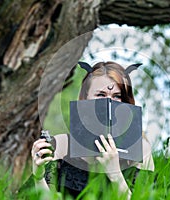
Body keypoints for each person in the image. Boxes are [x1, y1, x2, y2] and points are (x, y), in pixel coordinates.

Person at [30, 61, 154, 199]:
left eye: (117, 96)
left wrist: (115, 174)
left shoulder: (141, 149)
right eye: (100, 95)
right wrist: (38, 176)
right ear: (85, 98)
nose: (108, 102)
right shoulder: (62, 145)